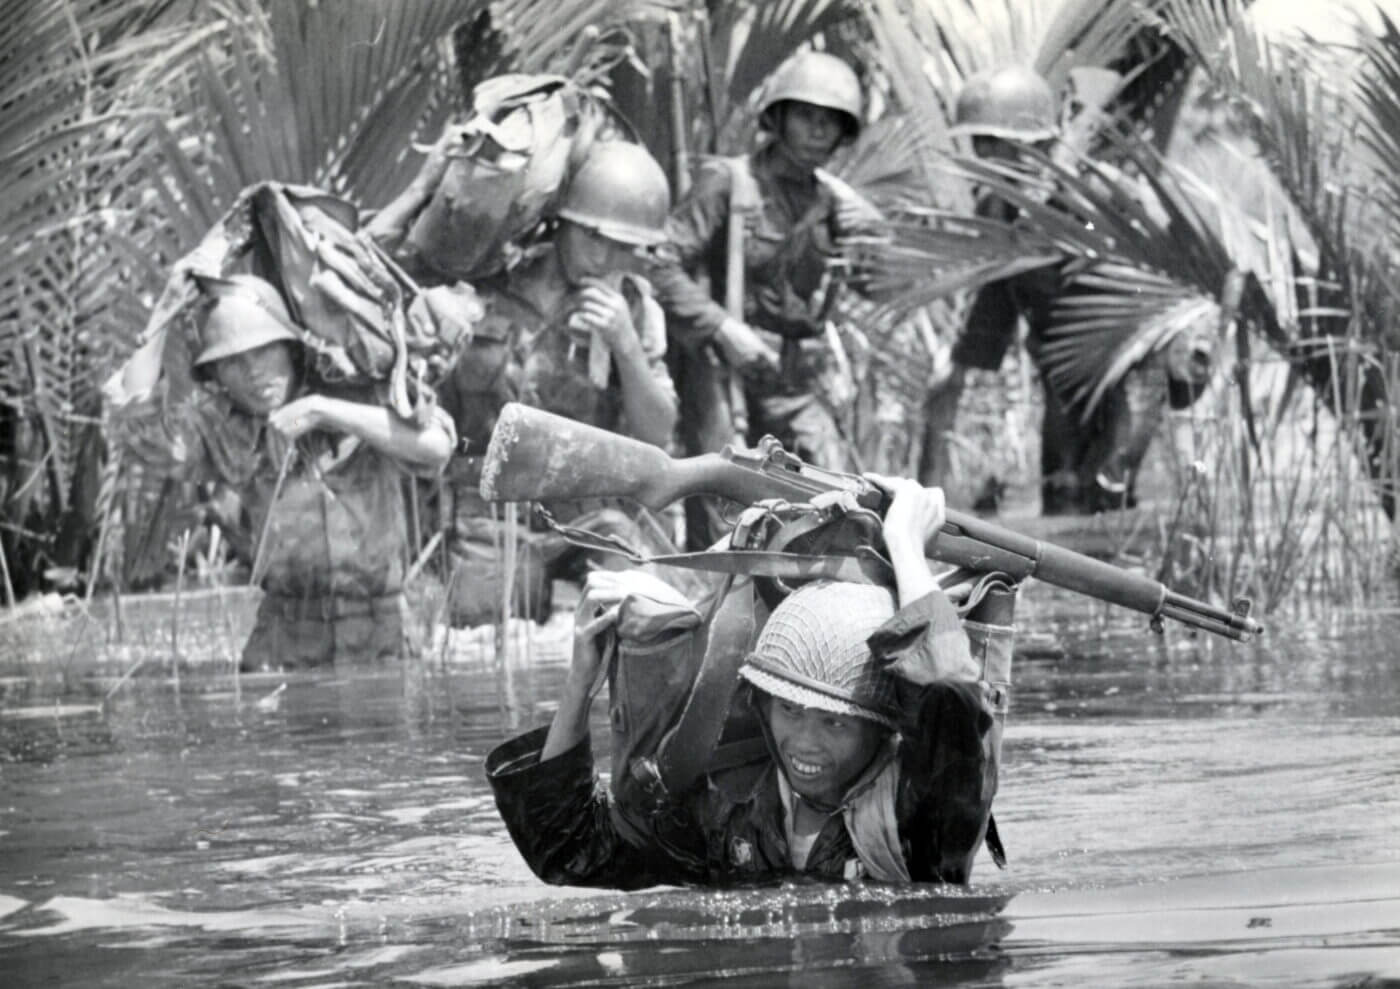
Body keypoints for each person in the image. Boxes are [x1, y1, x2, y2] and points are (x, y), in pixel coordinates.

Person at [486, 477, 1005, 888]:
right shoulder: (733, 810)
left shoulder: (925, 818)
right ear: (762, 703)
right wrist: (579, 689)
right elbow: (572, 852)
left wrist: (906, 544)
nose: (805, 742)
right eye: (791, 709)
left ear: (883, 729)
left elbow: (946, 689)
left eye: (834, 721)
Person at [106, 273, 456, 670]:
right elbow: (131, 425)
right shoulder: (224, 431)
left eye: (264, 352)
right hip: (286, 641)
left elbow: (436, 446)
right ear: (217, 377)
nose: (253, 372)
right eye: (233, 362)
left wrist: (324, 410)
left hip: (382, 634)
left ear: (292, 350)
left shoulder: (362, 396)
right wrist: (163, 316)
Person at [432, 140, 694, 626]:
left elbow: (657, 432)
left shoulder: (634, 308)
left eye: (623, 247)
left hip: (588, 509)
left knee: (635, 602)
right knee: (484, 631)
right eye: (594, 238)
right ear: (564, 224)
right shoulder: (489, 284)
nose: (605, 257)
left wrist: (625, 344)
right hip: (488, 510)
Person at [652, 50, 884, 550]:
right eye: (806, 116)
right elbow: (658, 262)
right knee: (723, 495)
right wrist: (720, 326)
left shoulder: (834, 203)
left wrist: (874, 245)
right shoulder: (728, 182)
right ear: (777, 118)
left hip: (793, 373)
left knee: (833, 496)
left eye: (831, 122)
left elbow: (873, 284)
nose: (818, 132)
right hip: (723, 366)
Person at [917, 65, 1150, 514]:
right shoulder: (999, 206)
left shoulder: (1100, 194)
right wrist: (963, 363)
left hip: (1130, 376)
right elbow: (999, 297)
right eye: (978, 143)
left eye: (993, 143)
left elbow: (1157, 294)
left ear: (1031, 141)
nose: (982, 156)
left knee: (1117, 498)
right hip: (1062, 377)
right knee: (1061, 493)